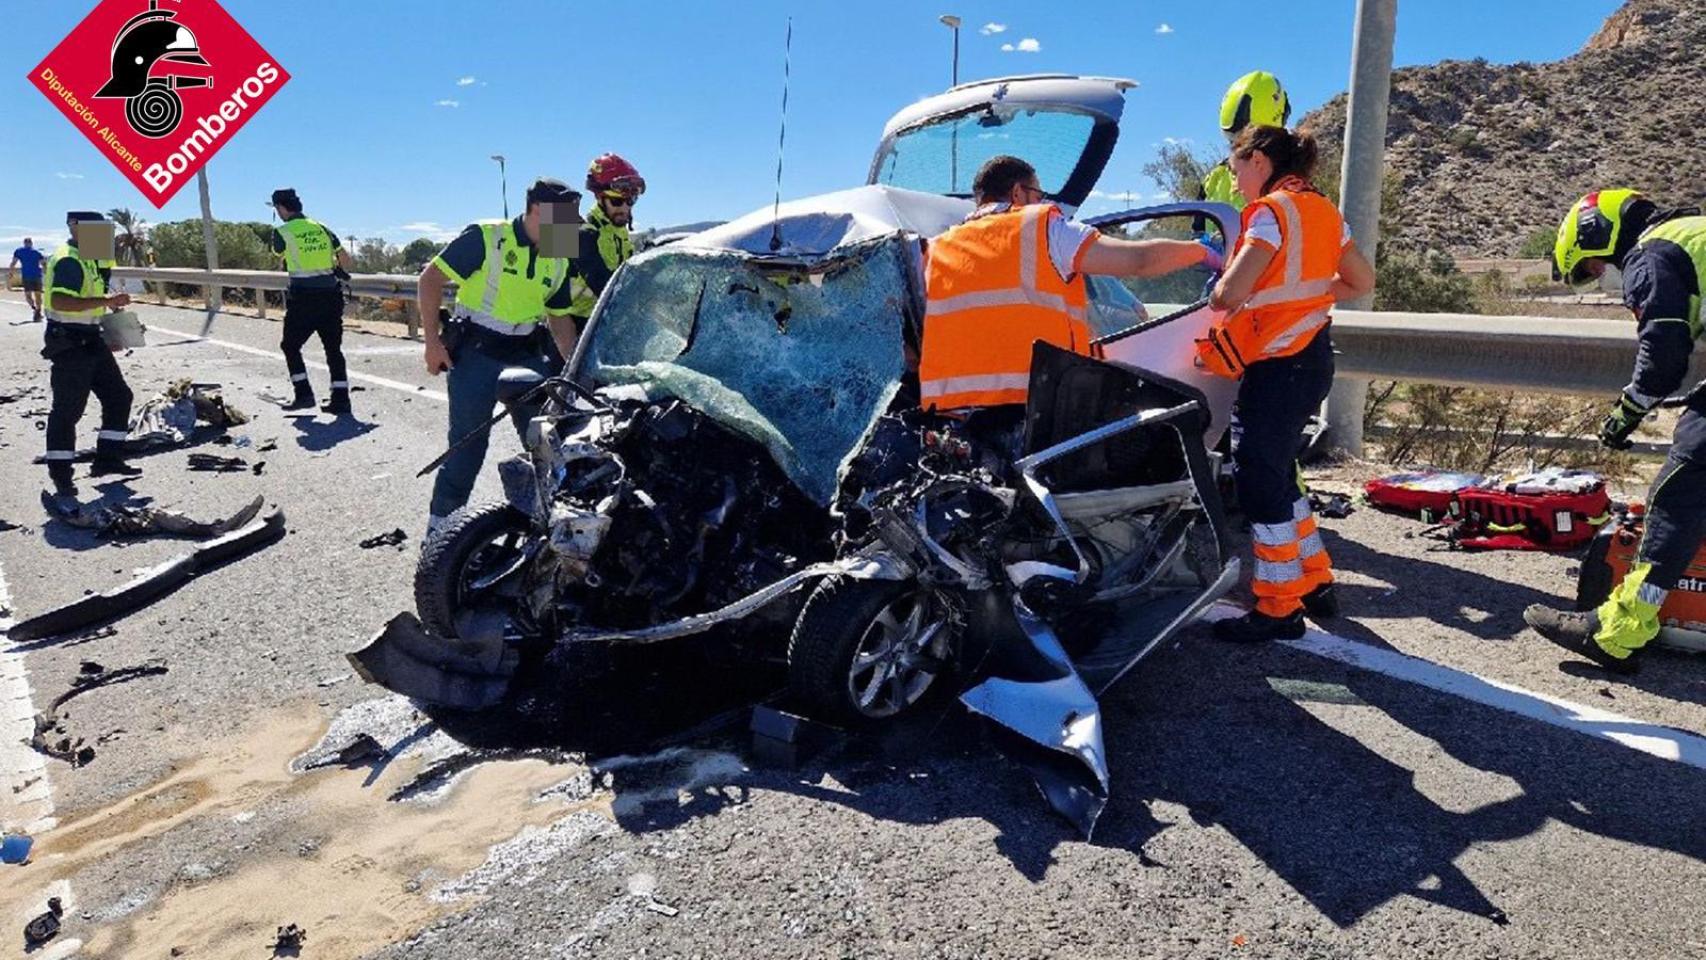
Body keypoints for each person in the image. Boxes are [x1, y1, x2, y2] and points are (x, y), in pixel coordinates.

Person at [1199, 126, 1375, 643]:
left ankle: (1279, 608)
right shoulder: (1322, 210)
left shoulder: (1271, 213)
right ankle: (1316, 580)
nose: (1237, 185)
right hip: (1313, 357)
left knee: (1259, 483)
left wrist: (1220, 285)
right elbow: (1362, 281)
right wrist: (1306, 299)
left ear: (1257, 160)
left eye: (1236, 172)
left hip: (1277, 365)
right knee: (1276, 475)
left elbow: (1228, 295)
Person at [1524, 189, 1706, 673]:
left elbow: (1664, 354)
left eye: (1593, 265)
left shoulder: (1653, 252)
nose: (1608, 274)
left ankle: (1618, 632)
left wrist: (1624, 415)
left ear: (1595, 232)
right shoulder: (1692, 236)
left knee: (1681, 492)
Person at [920, 154, 1219, 429]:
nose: (1041, 202)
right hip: (1037, 412)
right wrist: (1200, 252)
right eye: (1037, 194)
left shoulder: (936, 249)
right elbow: (1138, 260)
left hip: (954, 425)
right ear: (1016, 193)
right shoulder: (1044, 228)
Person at [417, 177, 584, 533]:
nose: (571, 225)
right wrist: (432, 343)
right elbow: (429, 280)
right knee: (467, 449)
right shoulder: (487, 237)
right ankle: (440, 535)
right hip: (476, 353)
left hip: (525, 354)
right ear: (538, 210)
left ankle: (543, 530)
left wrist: (574, 368)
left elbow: (559, 316)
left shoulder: (559, 246)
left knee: (547, 445)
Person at [43, 212, 141, 496]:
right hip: (69, 343)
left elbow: (95, 301)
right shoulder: (68, 259)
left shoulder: (93, 257)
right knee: (67, 411)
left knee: (119, 396)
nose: (103, 237)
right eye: (97, 231)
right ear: (76, 228)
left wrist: (114, 327)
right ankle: (61, 476)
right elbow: (60, 300)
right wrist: (106, 300)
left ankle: (108, 459)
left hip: (91, 338)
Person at [269, 188, 355, 413]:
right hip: (331, 296)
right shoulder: (322, 228)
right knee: (333, 349)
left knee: (290, 346)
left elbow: (279, 255)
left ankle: (304, 394)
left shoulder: (283, 232)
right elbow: (346, 259)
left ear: (280, 208)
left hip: (304, 299)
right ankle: (341, 399)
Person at [568, 153, 645, 330]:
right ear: (599, 197)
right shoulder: (580, 233)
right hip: (576, 327)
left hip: (606, 321)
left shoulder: (620, 233)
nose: (625, 208)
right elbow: (603, 284)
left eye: (630, 200)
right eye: (617, 201)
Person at [1200, 71, 1291, 213]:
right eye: (1233, 138)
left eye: (1243, 139)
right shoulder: (1213, 180)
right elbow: (1197, 230)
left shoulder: (1291, 183)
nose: (1237, 148)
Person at [10, 238, 48, 322]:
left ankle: (35, 309)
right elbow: (44, 264)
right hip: (36, 276)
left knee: (28, 296)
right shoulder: (37, 252)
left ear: (24, 243)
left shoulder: (20, 251)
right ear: (31, 243)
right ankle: (37, 310)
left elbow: (13, 262)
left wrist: (11, 272)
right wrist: (46, 273)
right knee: (37, 295)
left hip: (27, 276)